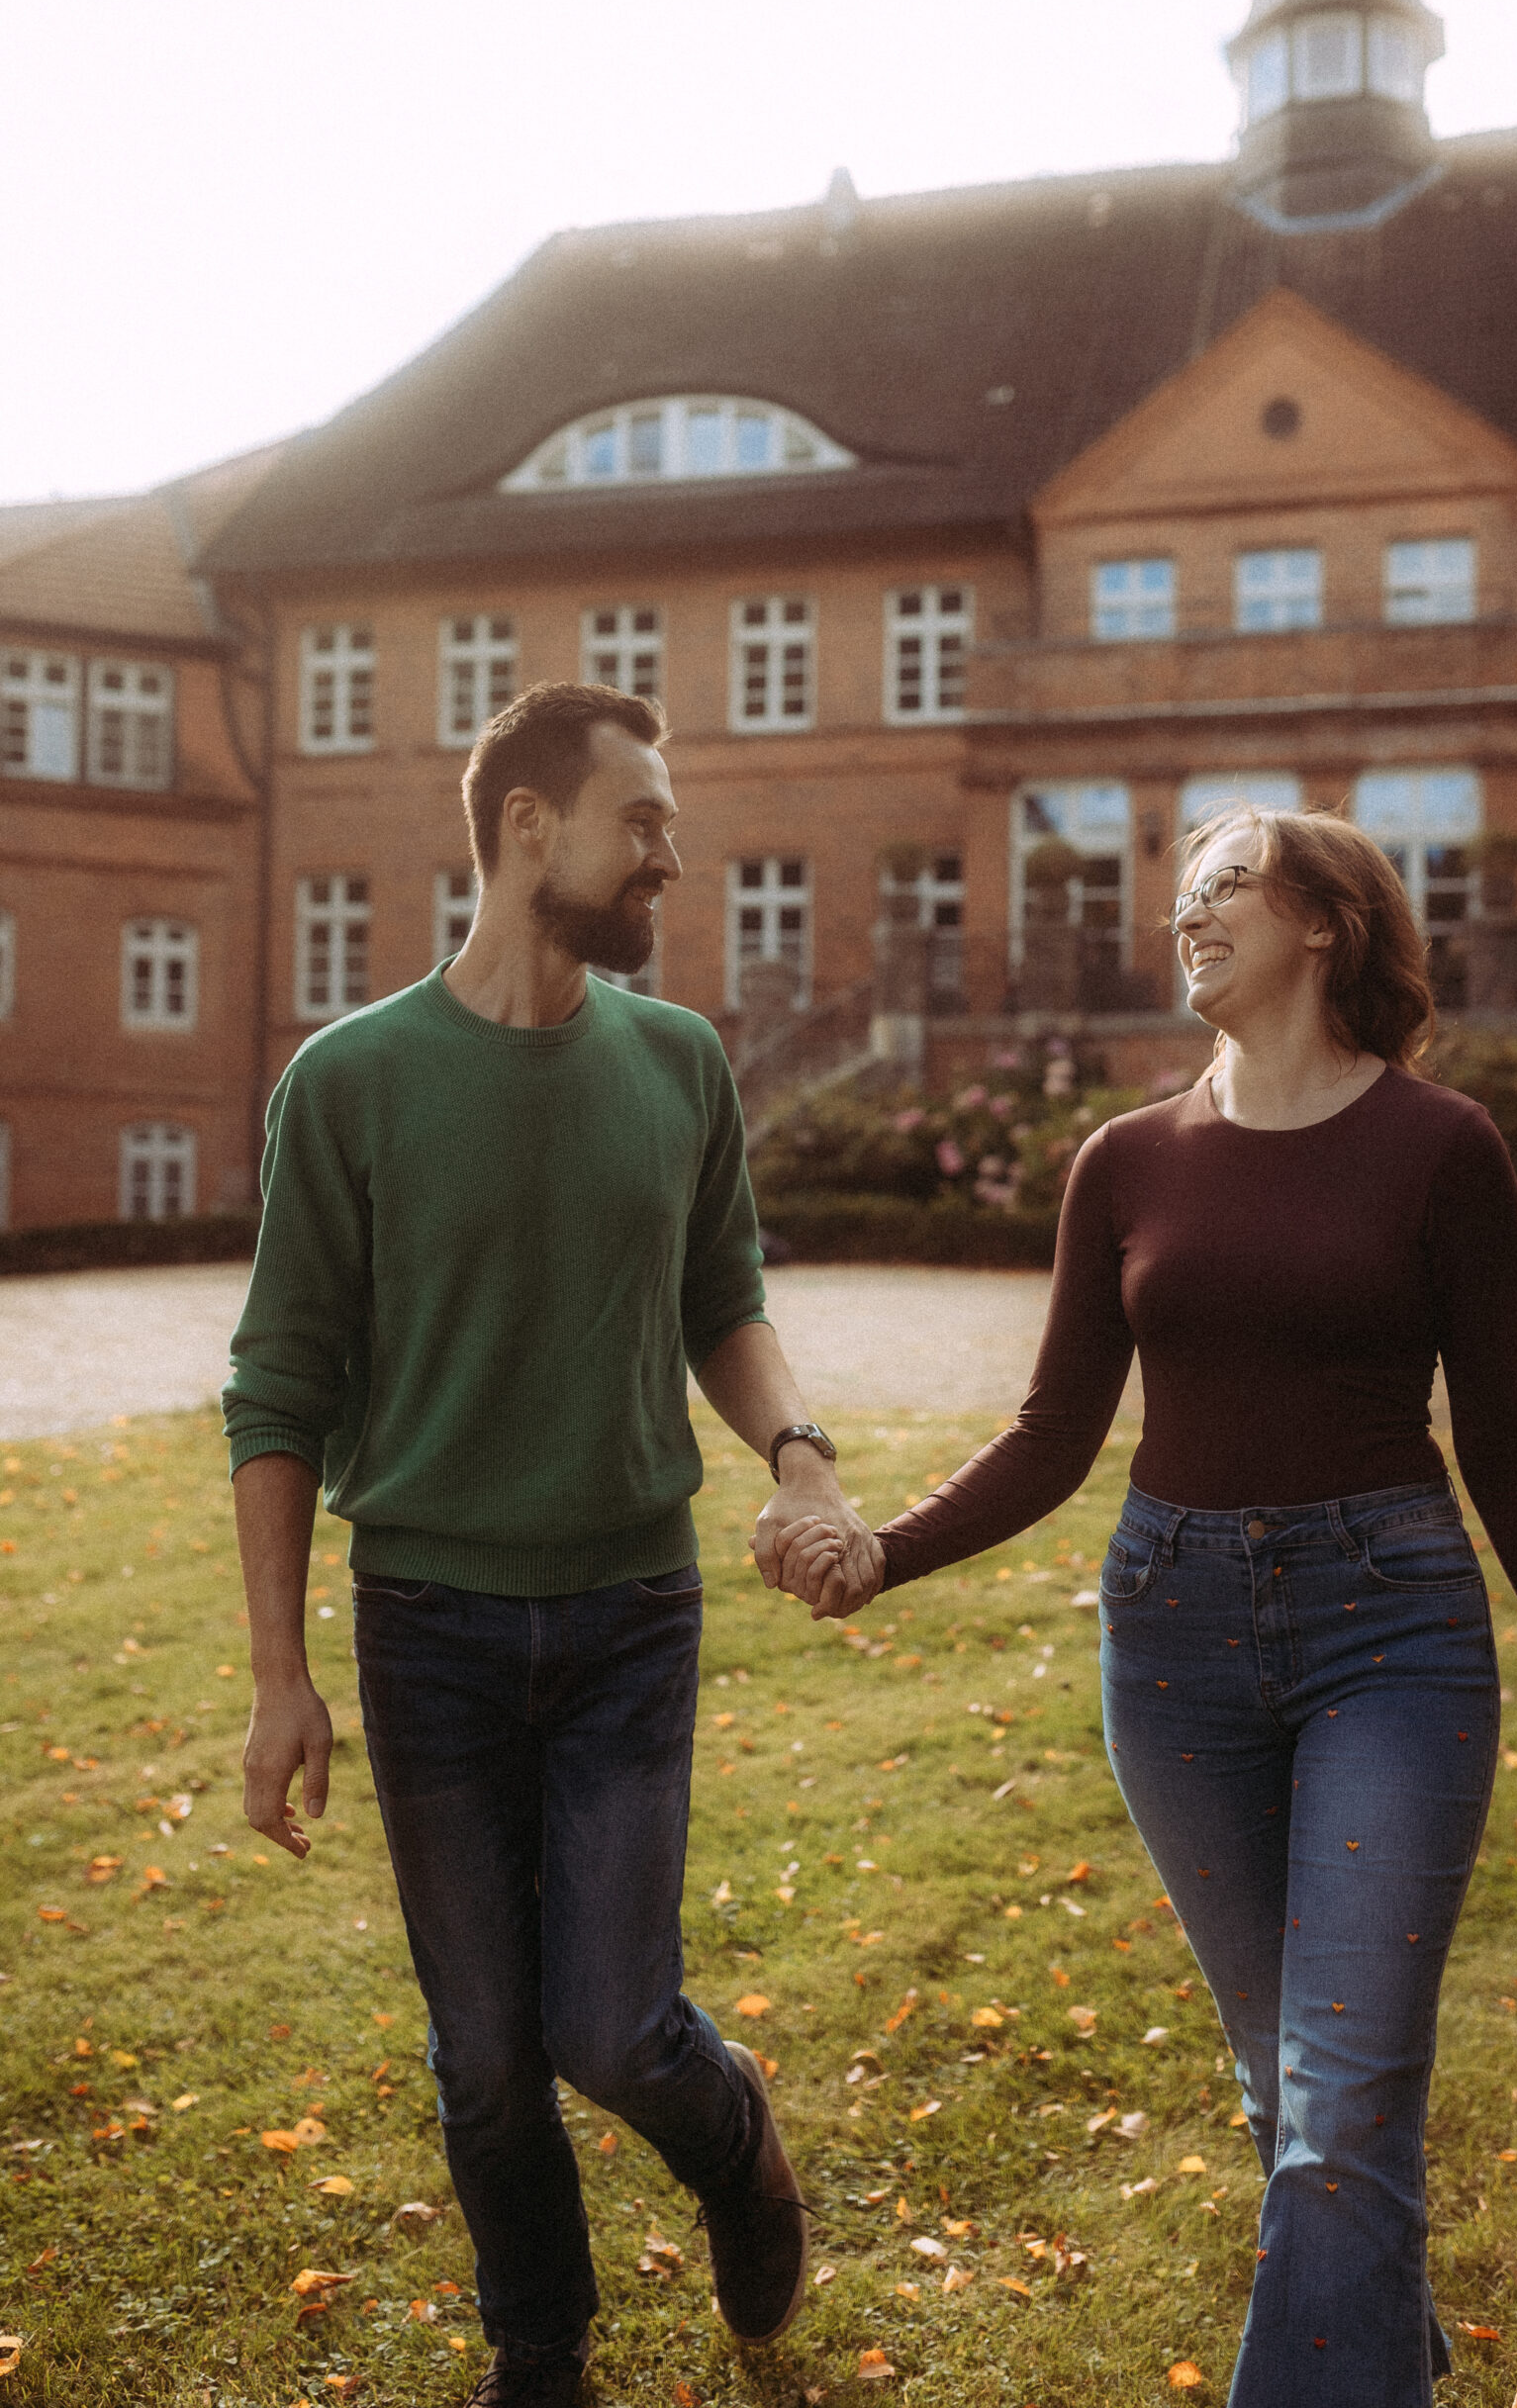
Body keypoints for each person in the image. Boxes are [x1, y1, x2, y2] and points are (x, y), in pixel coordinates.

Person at [774, 806, 1517, 2408]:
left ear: (1327, 924)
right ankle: (1388, 2356)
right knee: (1292, 2082)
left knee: (1343, 2095)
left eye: (1224, 884)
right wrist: (882, 1548)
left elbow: (1505, 1439)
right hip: (1172, 1641)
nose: (1186, 913)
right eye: (1180, 893)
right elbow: (1052, 1436)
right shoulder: (1125, 1162)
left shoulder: (1444, 1147)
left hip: (1394, 1633)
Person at [225, 681, 874, 2408]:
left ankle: (734, 2143)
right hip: (426, 1623)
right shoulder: (350, 1082)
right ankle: (540, 2353)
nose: (672, 852)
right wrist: (281, 1678)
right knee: (488, 2059)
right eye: (642, 820)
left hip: (625, 1616)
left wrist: (799, 1458)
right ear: (530, 826)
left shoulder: (677, 1061)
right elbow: (276, 1387)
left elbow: (723, 1301)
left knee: (607, 2029)